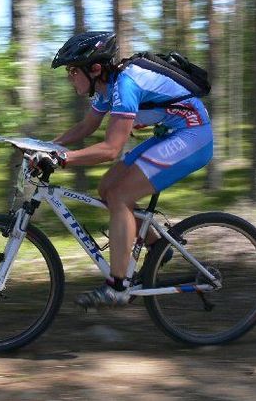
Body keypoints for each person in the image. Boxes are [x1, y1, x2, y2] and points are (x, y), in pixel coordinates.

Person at [34, 31, 213, 309]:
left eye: (72, 71)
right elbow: (86, 127)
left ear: (94, 69)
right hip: (172, 133)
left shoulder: (125, 85)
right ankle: (157, 247)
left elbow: (110, 149)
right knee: (106, 188)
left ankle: (118, 286)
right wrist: (45, 147)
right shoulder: (109, 86)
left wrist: (61, 160)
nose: (69, 77)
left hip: (192, 135)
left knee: (119, 196)